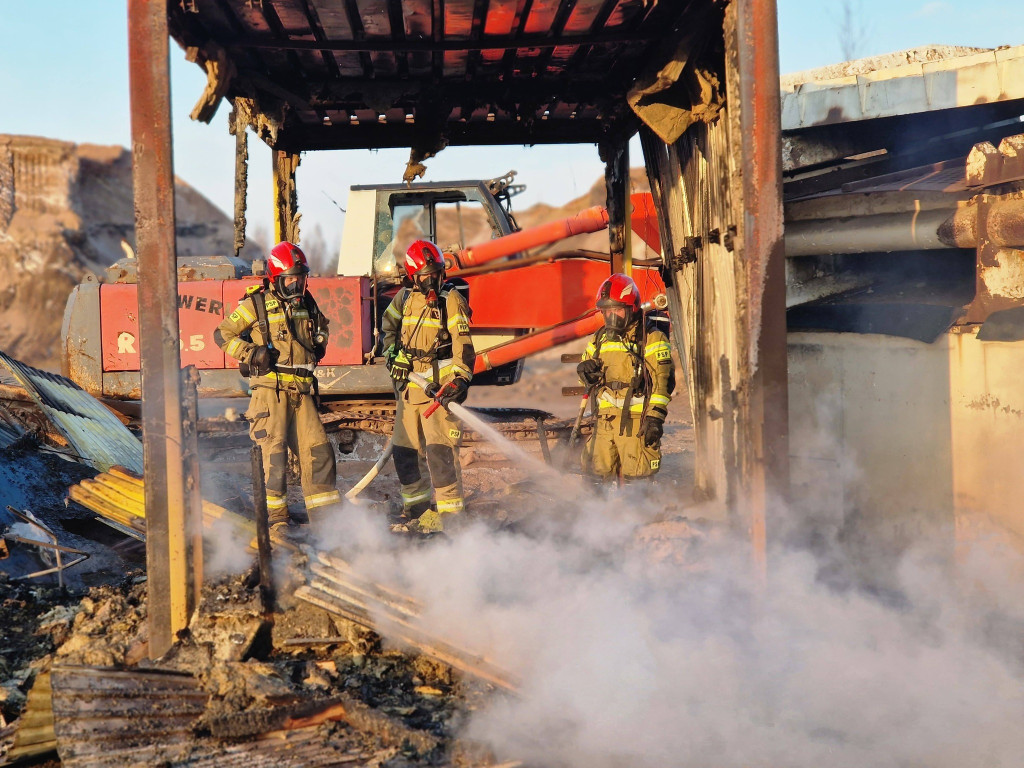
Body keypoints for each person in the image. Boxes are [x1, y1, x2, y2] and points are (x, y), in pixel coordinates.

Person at [215, 241, 341, 532]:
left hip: (302, 394)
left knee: (319, 453)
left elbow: (321, 327)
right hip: (270, 395)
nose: (296, 284)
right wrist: (251, 353)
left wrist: (319, 343)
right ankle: (278, 521)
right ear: (275, 278)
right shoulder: (256, 304)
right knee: (275, 459)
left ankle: (328, 524)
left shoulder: (307, 302)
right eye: (290, 279)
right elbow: (222, 334)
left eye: (300, 278)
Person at [381, 239, 475, 533]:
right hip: (409, 393)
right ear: (413, 277)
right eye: (425, 276)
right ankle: (419, 514)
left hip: (439, 391)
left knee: (440, 457)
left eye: (436, 273)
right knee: (405, 455)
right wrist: (393, 357)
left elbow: (464, 345)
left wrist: (460, 378)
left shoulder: (451, 300)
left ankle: (453, 523)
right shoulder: (404, 299)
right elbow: (388, 333)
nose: (432, 280)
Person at [576, 273, 673, 483]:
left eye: (617, 310)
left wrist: (655, 419)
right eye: (607, 311)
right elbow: (584, 378)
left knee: (637, 478)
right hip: (604, 422)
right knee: (593, 475)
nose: (612, 317)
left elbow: (663, 383)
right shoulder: (599, 338)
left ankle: (640, 514)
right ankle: (593, 515)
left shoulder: (651, 338)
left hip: (636, 424)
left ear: (633, 308)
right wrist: (584, 371)